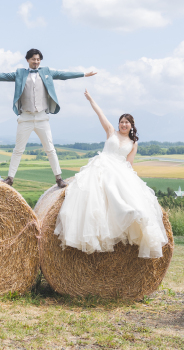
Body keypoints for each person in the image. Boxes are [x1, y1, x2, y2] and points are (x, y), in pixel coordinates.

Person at [54, 90, 168, 257]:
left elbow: (129, 163)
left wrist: (132, 180)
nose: (123, 125)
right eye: (121, 122)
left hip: (120, 170)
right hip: (102, 166)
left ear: (132, 125)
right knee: (100, 195)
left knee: (125, 193)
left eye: (126, 122)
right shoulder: (110, 131)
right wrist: (91, 99)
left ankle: (127, 214)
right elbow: (99, 113)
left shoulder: (133, 142)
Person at [0, 48, 96, 188]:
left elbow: (63, 74)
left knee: (50, 149)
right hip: (25, 117)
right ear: (28, 60)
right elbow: (2, 76)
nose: (36, 61)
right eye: (34, 59)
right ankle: (10, 178)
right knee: (18, 149)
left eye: (38, 59)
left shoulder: (46, 72)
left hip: (42, 117)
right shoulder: (20, 73)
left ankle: (59, 178)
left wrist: (83, 74)